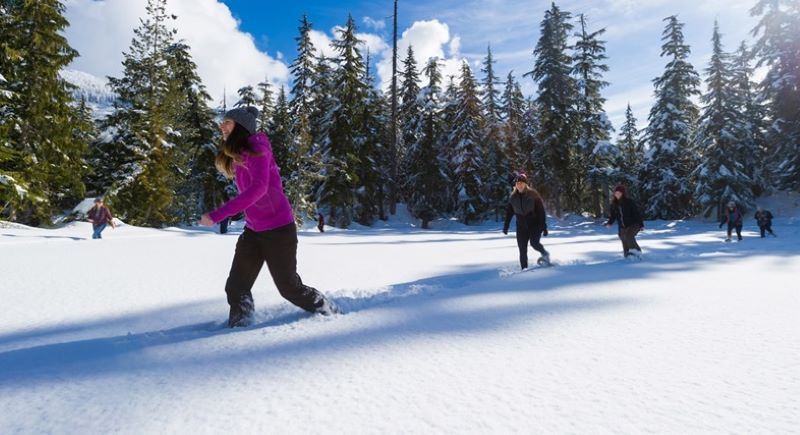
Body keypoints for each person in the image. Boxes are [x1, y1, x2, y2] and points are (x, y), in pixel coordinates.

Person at [199, 106, 337, 327]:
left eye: (228, 122)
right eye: (222, 122)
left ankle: (327, 309)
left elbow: (258, 189)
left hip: (279, 230)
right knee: (236, 286)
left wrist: (218, 215)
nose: (221, 126)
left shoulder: (258, 149)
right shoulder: (238, 154)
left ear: (241, 127)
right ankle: (240, 326)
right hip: (253, 231)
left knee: (289, 288)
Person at [502, 173, 550, 270]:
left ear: (525, 184)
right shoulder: (513, 198)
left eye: (521, 183)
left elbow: (541, 211)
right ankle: (524, 270)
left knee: (534, 243)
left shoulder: (533, 195)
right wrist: (506, 226)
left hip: (534, 225)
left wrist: (543, 227)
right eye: (518, 183)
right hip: (521, 227)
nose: (519, 185)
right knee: (522, 250)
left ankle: (545, 254)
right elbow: (509, 213)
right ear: (515, 185)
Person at [605, 185, 644, 258]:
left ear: (623, 193)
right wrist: (610, 223)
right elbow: (613, 216)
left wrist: (641, 225)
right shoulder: (614, 204)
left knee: (629, 236)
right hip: (622, 226)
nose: (617, 194)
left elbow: (637, 213)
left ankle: (637, 252)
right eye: (616, 193)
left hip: (634, 224)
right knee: (622, 237)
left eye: (619, 193)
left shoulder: (629, 202)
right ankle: (627, 255)